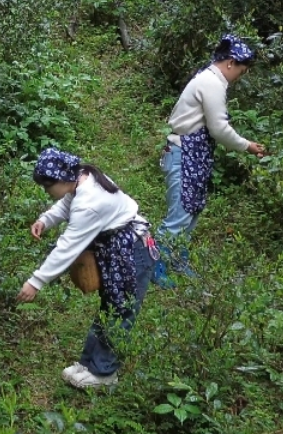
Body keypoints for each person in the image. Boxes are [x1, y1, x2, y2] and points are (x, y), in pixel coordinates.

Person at [15, 147, 155, 389]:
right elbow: (67, 202)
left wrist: (35, 282)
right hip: (119, 248)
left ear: (61, 179)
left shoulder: (89, 203)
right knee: (109, 306)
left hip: (133, 253)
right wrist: (45, 219)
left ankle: (104, 372)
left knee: (120, 311)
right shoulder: (82, 177)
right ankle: (89, 363)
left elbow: (67, 248)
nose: (46, 192)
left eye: (47, 187)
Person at [155, 33, 268, 286]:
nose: (241, 76)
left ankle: (177, 261)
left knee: (192, 211)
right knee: (179, 215)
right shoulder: (211, 83)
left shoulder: (211, 81)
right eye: (242, 70)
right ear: (230, 63)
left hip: (195, 154)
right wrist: (246, 145)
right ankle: (155, 266)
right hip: (183, 153)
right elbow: (219, 128)